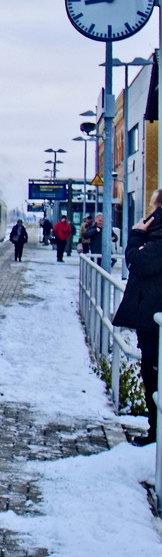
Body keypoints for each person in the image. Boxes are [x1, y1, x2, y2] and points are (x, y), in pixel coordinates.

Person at [111, 188, 162, 447]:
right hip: (152, 319)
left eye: (154, 208)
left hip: (154, 321)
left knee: (153, 375)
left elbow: (138, 261)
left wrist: (136, 236)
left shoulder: (157, 234)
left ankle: (156, 434)